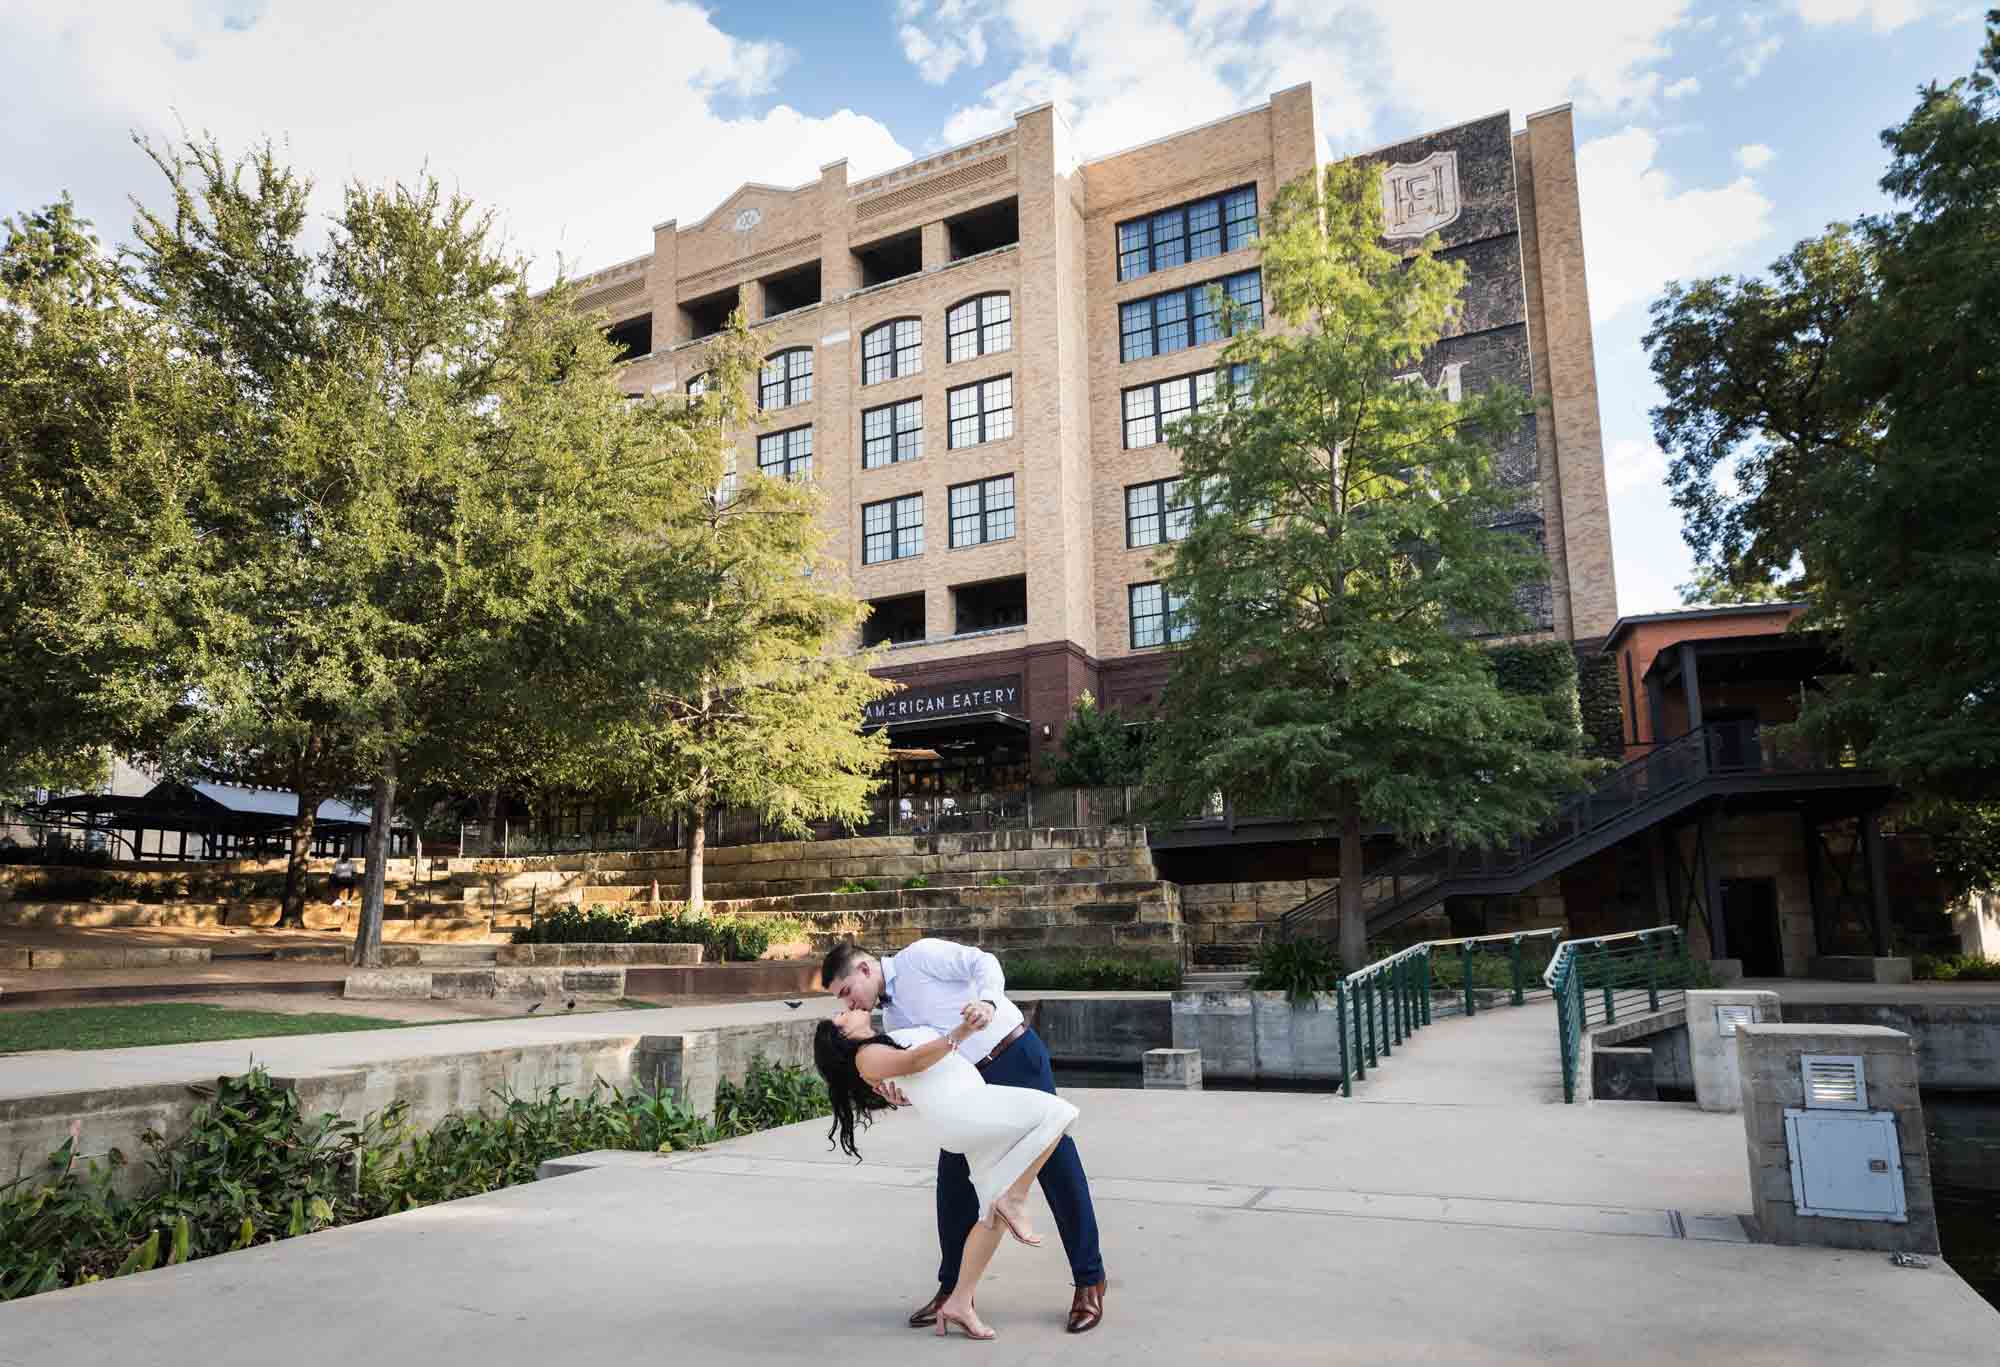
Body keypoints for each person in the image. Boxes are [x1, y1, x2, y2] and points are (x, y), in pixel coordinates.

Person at [821, 939, 1108, 1334]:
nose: (850, 1004)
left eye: (847, 992)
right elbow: (920, 1064)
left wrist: (989, 1002)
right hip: (968, 1094)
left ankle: (1090, 1281)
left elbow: (983, 961)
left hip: (1013, 1056)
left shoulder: (919, 957)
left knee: (1057, 1167)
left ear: (864, 969)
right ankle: (952, 1292)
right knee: (953, 1185)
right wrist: (899, 1093)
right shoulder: (890, 1023)